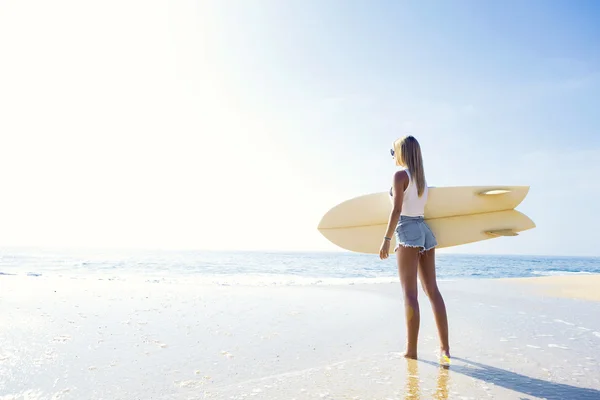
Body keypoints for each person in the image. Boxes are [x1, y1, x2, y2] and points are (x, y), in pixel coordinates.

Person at [379, 135, 450, 362]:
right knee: (432, 291)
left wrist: (387, 238)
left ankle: (411, 350)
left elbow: (397, 210)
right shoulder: (421, 180)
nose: (392, 156)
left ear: (402, 152)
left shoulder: (400, 175)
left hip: (407, 230)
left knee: (410, 295)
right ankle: (445, 349)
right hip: (424, 229)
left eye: (393, 151)